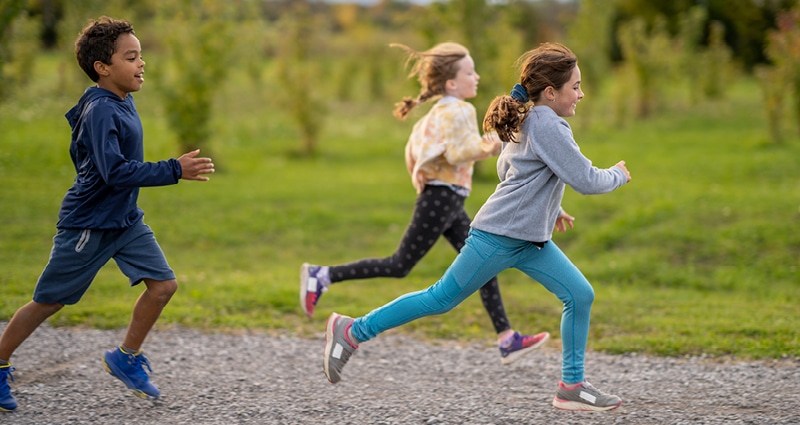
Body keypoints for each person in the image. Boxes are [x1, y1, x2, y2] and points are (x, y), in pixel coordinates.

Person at [322, 42, 631, 412]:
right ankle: (352, 331)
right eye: (576, 87)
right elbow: (585, 178)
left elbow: (513, 171)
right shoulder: (549, 124)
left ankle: (572, 386)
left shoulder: (530, 119)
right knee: (440, 298)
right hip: (500, 237)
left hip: (529, 239)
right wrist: (618, 174)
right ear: (551, 92)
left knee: (579, 294)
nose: (581, 94)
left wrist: (552, 207)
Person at [0, 16, 215, 411]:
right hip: (89, 222)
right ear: (103, 67)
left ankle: (126, 357)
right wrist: (173, 169)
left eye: (140, 56)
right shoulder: (100, 110)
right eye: (131, 57)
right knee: (49, 301)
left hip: (125, 220)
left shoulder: (121, 100)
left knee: (163, 286)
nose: (141, 64)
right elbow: (112, 171)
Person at [301, 41, 548, 365]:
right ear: (451, 83)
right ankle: (323, 276)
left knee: (481, 263)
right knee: (400, 264)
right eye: (470, 72)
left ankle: (506, 338)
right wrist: (491, 144)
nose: (477, 77)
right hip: (442, 198)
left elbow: (412, 150)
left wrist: (421, 176)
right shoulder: (460, 109)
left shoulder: (436, 113)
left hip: (445, 198)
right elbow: (459, 151)